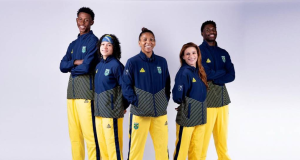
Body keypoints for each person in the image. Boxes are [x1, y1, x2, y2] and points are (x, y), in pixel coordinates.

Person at [122, 27, 171, 160]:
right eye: (144, 39)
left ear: (155, 42)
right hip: (140, 113)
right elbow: (125, 84)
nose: (148, 42)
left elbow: (167, 84)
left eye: (151, 39)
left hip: (159, 113)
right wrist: (136, 102)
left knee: (162, 148)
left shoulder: (162, 61)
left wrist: (164, 100)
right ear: (139, 42)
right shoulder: (133, 62)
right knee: (136, 148)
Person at [59, 7, 100, 160]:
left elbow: (88, 66)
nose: (82, 23)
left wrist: (72, 66)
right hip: (71, 94)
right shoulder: (72, 44)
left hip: (86, 94)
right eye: (80, 19)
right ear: (76, 20)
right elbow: (62, 66)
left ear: (92, 22)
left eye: (86, 20)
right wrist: (76, 62)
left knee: (90, 136)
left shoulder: (94, 42)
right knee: (75, 137)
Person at [199, 20, 235, 160]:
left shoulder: (223, 53)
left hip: (223, 100)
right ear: (202, 33)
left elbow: (231, 75)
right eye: (207, 30)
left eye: (213, 29)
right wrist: (221, 73)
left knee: (222, 141)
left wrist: (216, 78)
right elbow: (204, 74)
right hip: (207, 101)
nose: (211, 32)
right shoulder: (199, 51)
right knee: (203, 140)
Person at [94, 34, 129, 160]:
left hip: (111, 113)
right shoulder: (98, 66)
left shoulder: (116, 66)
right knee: (103, 147)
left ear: (114, 48)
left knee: (113, 148)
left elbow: (126, 87)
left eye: (109, 45)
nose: (105, 47)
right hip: (98, 113)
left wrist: (123, 105)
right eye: (103, 44)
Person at [172, 42, 208, 160]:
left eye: (193, 53)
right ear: (183, 56)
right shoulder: (184, 72)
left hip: (201, 116)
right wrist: (185, 104)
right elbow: (177, 96)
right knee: (182, 149)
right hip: (187, 116)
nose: (191, 56)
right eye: (187, 54)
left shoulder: (199, 71)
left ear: (198, 54)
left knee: (196, 149)